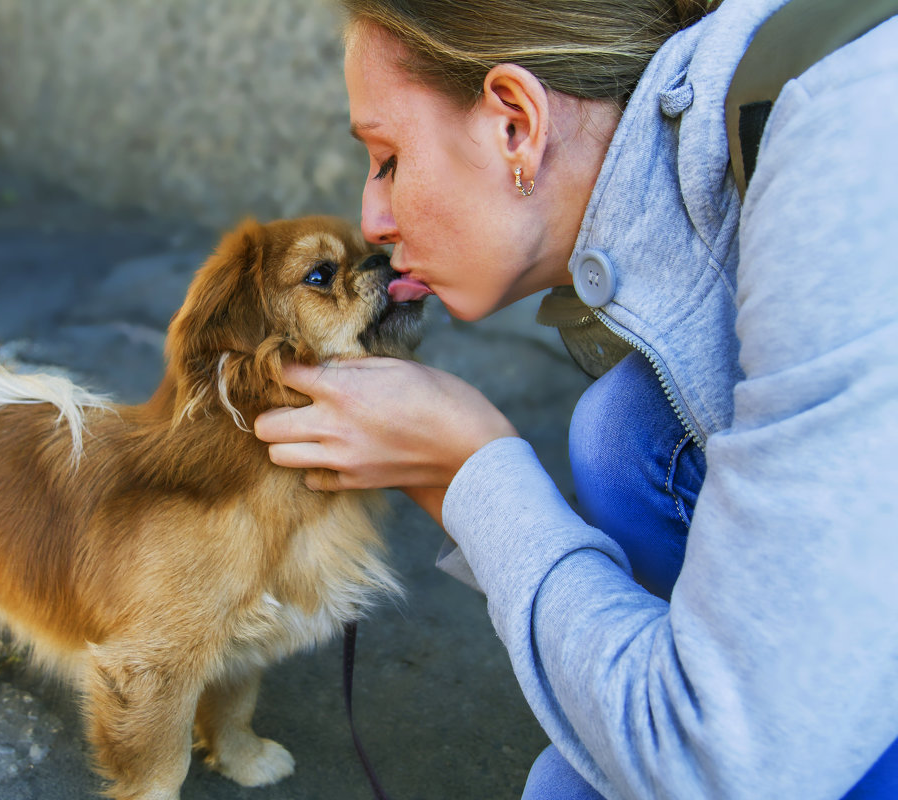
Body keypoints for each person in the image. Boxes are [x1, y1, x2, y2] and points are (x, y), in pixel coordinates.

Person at [253, 0, 898, 797]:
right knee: (625, 434)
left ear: (516, 124)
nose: (372, 218)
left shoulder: (842, 152)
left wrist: (462, 473)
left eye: (386, 159)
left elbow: (728, 766)